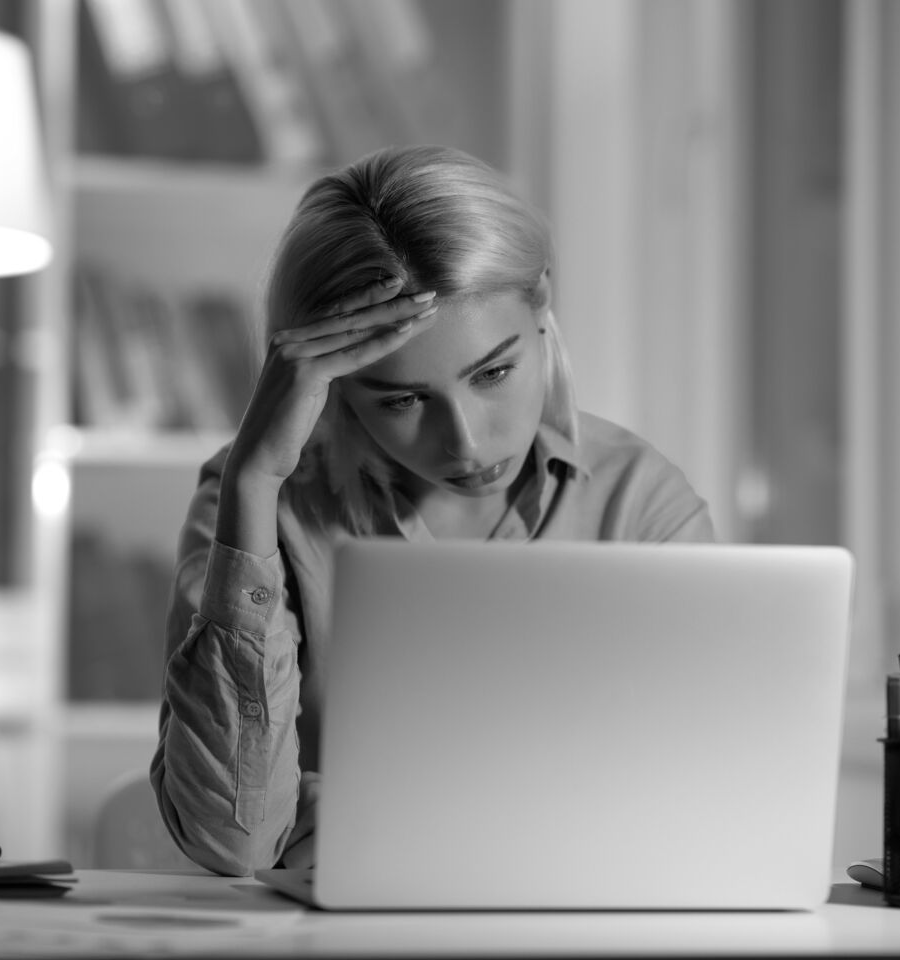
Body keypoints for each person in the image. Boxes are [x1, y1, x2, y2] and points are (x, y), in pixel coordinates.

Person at [150, 145, 714, 877]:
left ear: (541, 302)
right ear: (334, 386)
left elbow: (692, 818)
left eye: (495, 372)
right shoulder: (257, 502)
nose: (468, 441)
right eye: (402, 400)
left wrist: (368, 824)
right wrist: (257, 480)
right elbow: (235, 842)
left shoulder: (642, 506)